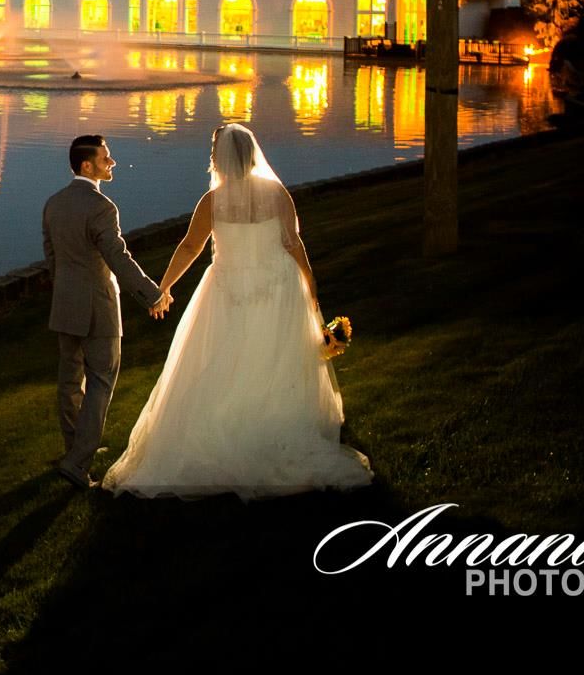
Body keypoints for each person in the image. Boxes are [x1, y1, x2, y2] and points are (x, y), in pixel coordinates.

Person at [101, 123, 373, 499]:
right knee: (272, 361)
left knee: (224, 360)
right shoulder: (276, 193)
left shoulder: (214, 201)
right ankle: (272, 428)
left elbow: (189, 247)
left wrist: (163, 287)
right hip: (277, 288)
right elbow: (294, 245)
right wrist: (311, 289)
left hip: (227, 290)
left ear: (221, 159)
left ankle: (232, 431)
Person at [43, 134, 173, 491]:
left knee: (69, 383)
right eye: (106, 158)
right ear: (87, 165)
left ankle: (74, 452)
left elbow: (52, 260)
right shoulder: (102, 207)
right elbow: (118, 257)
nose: (112, 162)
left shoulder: (53, 204)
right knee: (101, 381)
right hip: (98, 307)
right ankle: (77, 462)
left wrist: (65, 292)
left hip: (65, 306)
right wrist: (152, 294)